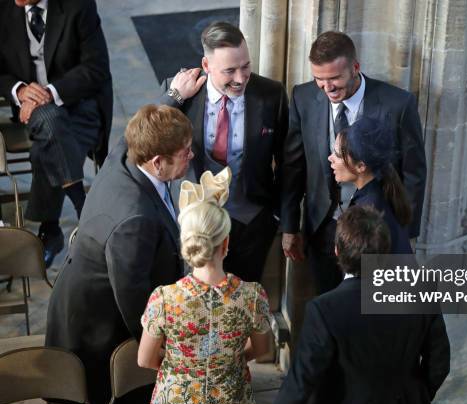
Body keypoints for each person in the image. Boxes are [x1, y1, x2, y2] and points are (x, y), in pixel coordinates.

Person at [45, 104, 192, 404]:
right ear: (157, 162)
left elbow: (135, 134)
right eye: (185, 152)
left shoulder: (124, 157)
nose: (190, 156)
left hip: (81, 300)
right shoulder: (135, 219)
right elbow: (133, 298)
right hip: (97, 333)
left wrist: (173, 98)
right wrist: (162, 351)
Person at [265, 205, 450, 404]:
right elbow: (439, 363)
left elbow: (300, 382)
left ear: (337, 251)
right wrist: (414, 397)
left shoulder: (324, 310)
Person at [280, 30, 426, 294]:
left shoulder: (399, 104)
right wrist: (290, 226)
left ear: (355, 68)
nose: (327, 88)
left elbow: (414, 174)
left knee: (371, 310)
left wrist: (407, 234)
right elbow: (293, 167)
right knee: (328, 303)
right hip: (322, 229)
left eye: (334, 78)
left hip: (376, 233)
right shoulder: (302, 97)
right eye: (319, 80)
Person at [138, 167, 273, 404]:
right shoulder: (251, 296)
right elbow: (263, 350)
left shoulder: (164, 299)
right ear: (225, 243)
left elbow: (145, 359)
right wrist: (227, 359)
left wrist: (184, 364)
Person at [160, 21, 289, 283]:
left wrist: (278, 215)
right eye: (230, 71)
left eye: (246, 67)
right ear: (206, 66)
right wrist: (173, 98)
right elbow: (148, 140)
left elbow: (287, 162)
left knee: (242, 300)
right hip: (193, 224)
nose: (241, 78)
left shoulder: (271, 94)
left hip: (251, 225)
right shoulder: (181, 92)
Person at [0, 0, 113, 267]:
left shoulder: (79, 5)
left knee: (46, 143)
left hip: (79, 107)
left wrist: (50, 93)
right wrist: (19, 90)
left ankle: (50, 227)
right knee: (49, 122)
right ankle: (84, 209)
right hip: (32, 110)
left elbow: (95, 68)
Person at [329, 117, 413, 253]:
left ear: (361, 166)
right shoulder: (383, 188)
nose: (330, 158)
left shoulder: (369, 214)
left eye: (338, 155)